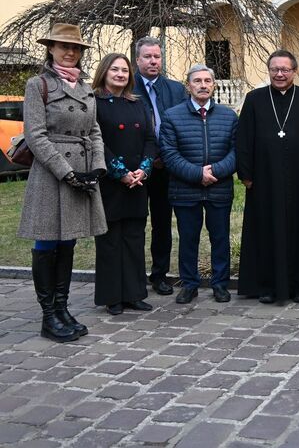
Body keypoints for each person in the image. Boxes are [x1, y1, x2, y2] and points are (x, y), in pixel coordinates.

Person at [18, 23, 106, 342]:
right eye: (63, 46)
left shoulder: (85, 87)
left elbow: (94, 131)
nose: (70, 52)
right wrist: (67, 171)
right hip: (52, 174)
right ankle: (48, 316)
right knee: (47, 240)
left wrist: (96, 167)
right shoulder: (37, 84)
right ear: (50, 49)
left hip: (83, 172)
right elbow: (35, 135)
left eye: (76, 48)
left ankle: (62, 307)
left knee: (69, 241)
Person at [237, 50, 299, 303]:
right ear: (269, 70)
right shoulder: (254, 99)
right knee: (265, 231)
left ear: (294, 71)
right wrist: (245, 175)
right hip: (263, 180)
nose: (279, 74)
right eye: (275, 69)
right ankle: (266, 287)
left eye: (285, 69)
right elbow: (243, 139)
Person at [159, 65, 238, 305]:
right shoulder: (172, 116)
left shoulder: (229, 116)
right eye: (197, 81)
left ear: (213, 85)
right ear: (188, 86)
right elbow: (169, 154)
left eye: (207, 81)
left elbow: (236, 152)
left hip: (219, 188)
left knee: (220, 239)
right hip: (185, 190)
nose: (203, 85)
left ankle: (220, 284)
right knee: (188, 239)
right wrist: (197, 174)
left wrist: (215, 171)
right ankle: (189, 284)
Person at [91, 53, 158, 315]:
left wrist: (144, 168)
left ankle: (134, 293)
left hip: (138, 183)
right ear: (104, 72)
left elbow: (150, 140)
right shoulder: (94, 103)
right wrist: (120, 173)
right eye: (115, 70)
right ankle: (112, 297)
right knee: (110, 241)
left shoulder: (137, 103)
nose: (120, 74)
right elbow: (96, 142)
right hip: (111, 183)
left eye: (125, 71)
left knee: (134, 238)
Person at [133, 36, 187, 296]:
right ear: (137, 59)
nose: (153, 61)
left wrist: (168, 156)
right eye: (148, 56)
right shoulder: (126, 86)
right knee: (134, 223)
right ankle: (132, 276)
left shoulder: (176, 89)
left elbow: (181, 126)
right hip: (135, 169)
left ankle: (159, 275)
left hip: (167, 168)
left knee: (162, 223)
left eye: (157, 56)